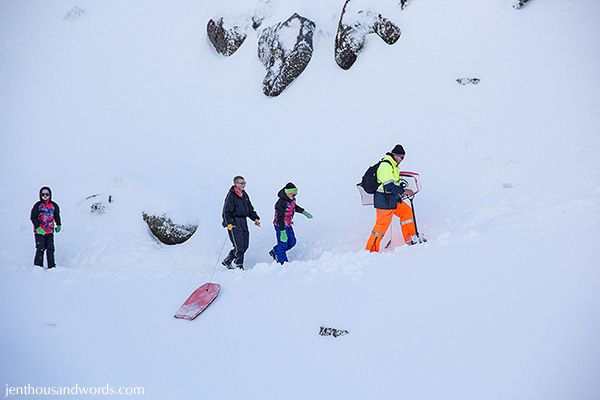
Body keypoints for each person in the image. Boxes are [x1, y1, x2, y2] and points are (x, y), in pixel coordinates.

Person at [365, 145, 418, 252]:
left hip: (392, 198)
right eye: (401, 157)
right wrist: (404, 191)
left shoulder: (394, 166)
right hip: (383, 200)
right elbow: (388, 186)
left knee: (406, 212)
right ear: (395, 155)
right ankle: (370, 250)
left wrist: (399, 193)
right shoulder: (385, 166)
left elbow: (394, 184)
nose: (402, 160)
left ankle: (411, 238)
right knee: (381, 226)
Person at [221, 176, 260, 270]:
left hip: (243, 221)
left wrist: (255, 218)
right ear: (235, 184)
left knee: (245, 245)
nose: (243, 185)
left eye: (244, 183)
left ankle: (228, 260)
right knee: (239, 246)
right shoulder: (231, 195)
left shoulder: (244, 195)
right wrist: (228, 222)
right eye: (241, 183)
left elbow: (250, 209)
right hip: (234, 222)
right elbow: (226, 211)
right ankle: (239, 265)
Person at [269, 182, 312, 264]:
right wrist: (282, 231)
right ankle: (282, 262)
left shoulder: (291, 199)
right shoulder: (280, 203)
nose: (294, 196)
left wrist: (303, 212)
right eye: (293, 195)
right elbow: (280, 218)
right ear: (287, 193)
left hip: (288, 225)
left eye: (295, 194)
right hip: (280, 226)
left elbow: (294, 206)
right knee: (283, 244)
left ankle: (275, 251)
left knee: (292, 242)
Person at [30, 186, 61, 269]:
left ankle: (51, 266)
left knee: (50, 249)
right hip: (39, 232)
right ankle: (38, 266)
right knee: (40, 248)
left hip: (50, 231)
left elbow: (57, 215)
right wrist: (37, 227)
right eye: (43, 194)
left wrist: (58, 224)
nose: (45, 195)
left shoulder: (54, 205)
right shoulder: (38, 205)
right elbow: (33, 217)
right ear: (40, 195)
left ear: (50, 195)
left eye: (47, 194)